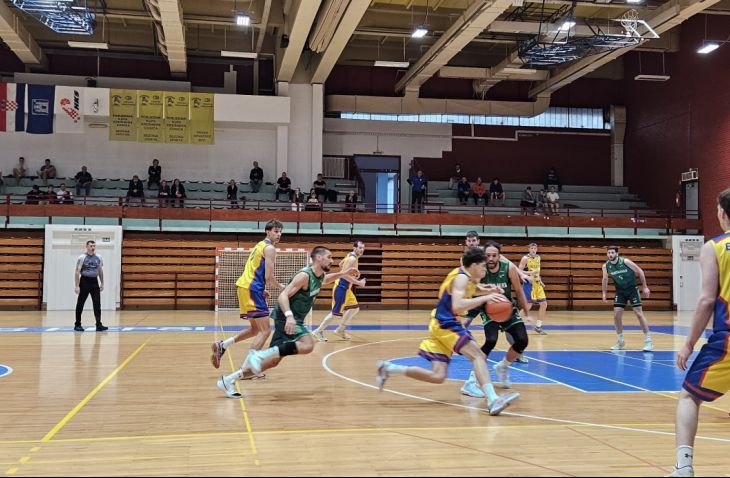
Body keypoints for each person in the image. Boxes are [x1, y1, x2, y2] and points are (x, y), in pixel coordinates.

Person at [375, 247, 520, 416]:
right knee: (478, 355)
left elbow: (472, 289)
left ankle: (388, 368)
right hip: (446, 323)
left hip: (439, 324)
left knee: (438, 376)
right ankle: (493, 399)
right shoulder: (461, 278)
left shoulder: (468, 277)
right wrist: (486, 298)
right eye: (482, 266)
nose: (484, 269)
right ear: (473, 265)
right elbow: (457, 305)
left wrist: (488, 290)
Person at [217, 246, 359, 398]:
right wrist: (289, 316)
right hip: (286, 318)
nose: (332, 260)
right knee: (308, 345)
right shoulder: (304, 275)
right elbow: (283, 296)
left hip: (291, 318)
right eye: (329, 257)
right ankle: (262, 354)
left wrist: (343, 273)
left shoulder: (318, 276)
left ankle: (228, 380)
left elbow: (326, 279)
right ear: (319, 258)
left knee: (272, 362)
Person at [667, 188, 730, 478]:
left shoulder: (715, 247)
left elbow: (706, 300)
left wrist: (688, 344)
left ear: (721, 212)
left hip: (727, 338)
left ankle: (684, 467)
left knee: (689, 397)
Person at [210, 220, 285, 373]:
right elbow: (269, 277)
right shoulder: (270, 249)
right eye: (276, 231)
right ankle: (246, 369)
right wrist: (283, 288)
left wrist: (261, 289)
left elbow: (253, 269)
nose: (279, 234)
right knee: (265, 331)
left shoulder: (260, 245)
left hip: (246, 288)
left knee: (255, 329)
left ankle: (222, 345)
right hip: (252, 289)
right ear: (267, 231)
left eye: (280, 232)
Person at [460, 241, 532, 397]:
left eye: (494, 255)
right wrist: (467, 318)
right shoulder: (480, 271)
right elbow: (473, 294)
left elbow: (519, 292)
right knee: (491, 340)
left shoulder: (509, 268)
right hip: (488, 309)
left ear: (500, 256)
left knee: (522, 340)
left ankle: (503, 366)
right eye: (488, 255)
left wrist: (527, 312)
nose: (491, 258)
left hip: (506, 307)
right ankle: (471, 381)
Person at [312, 241, 367, 342]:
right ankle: (318, 331)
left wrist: (352, 273)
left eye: (363, 248)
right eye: (359, 248)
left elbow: (341, 264)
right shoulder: (352, 258)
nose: (361, 250)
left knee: (354, 308)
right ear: (354, 248)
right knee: (335, 313)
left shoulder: (350, 255)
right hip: (341, 288)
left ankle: (340, 329)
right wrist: (359, 283)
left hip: (347, 289)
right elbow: (344, 275)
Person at [601, 245, 653, 352]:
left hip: (632, 290)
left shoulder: (625, 262)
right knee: (616, 316)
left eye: (612, 253)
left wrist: (645, 286)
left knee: (638, 313)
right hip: (620, 292)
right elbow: (605, 279)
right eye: (609, 253)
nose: (610, 255)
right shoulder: (606, 266)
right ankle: (620, 342)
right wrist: (604, 293)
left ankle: (648, 341)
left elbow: (640, 271)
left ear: (617, 254)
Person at [74, 240, 108, 332]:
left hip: (94, 282)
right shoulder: (82, 257)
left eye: (94, 246)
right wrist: (77, 286)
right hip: (84, 281)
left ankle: (98, 324)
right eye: (91, 246)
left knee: (97, 303)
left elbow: (100, 270)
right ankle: (77, 324)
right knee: (80, 303)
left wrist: (102, 282)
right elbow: (77, 272)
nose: (93, 247)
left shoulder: (99, 257)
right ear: (87, 247)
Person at [519, 243, 548, 335]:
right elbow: (519, 270)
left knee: (544, 304)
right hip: (529, 284)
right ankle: (514, 324)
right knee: (528, 306)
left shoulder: (538, 257)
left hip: (537, 283)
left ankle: (538, 326)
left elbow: (537, 272)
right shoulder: (525, 258)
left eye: (535, 248)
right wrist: (529, 273)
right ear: (529, 249)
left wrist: (541, 281)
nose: (533, 250)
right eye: (532, 248)